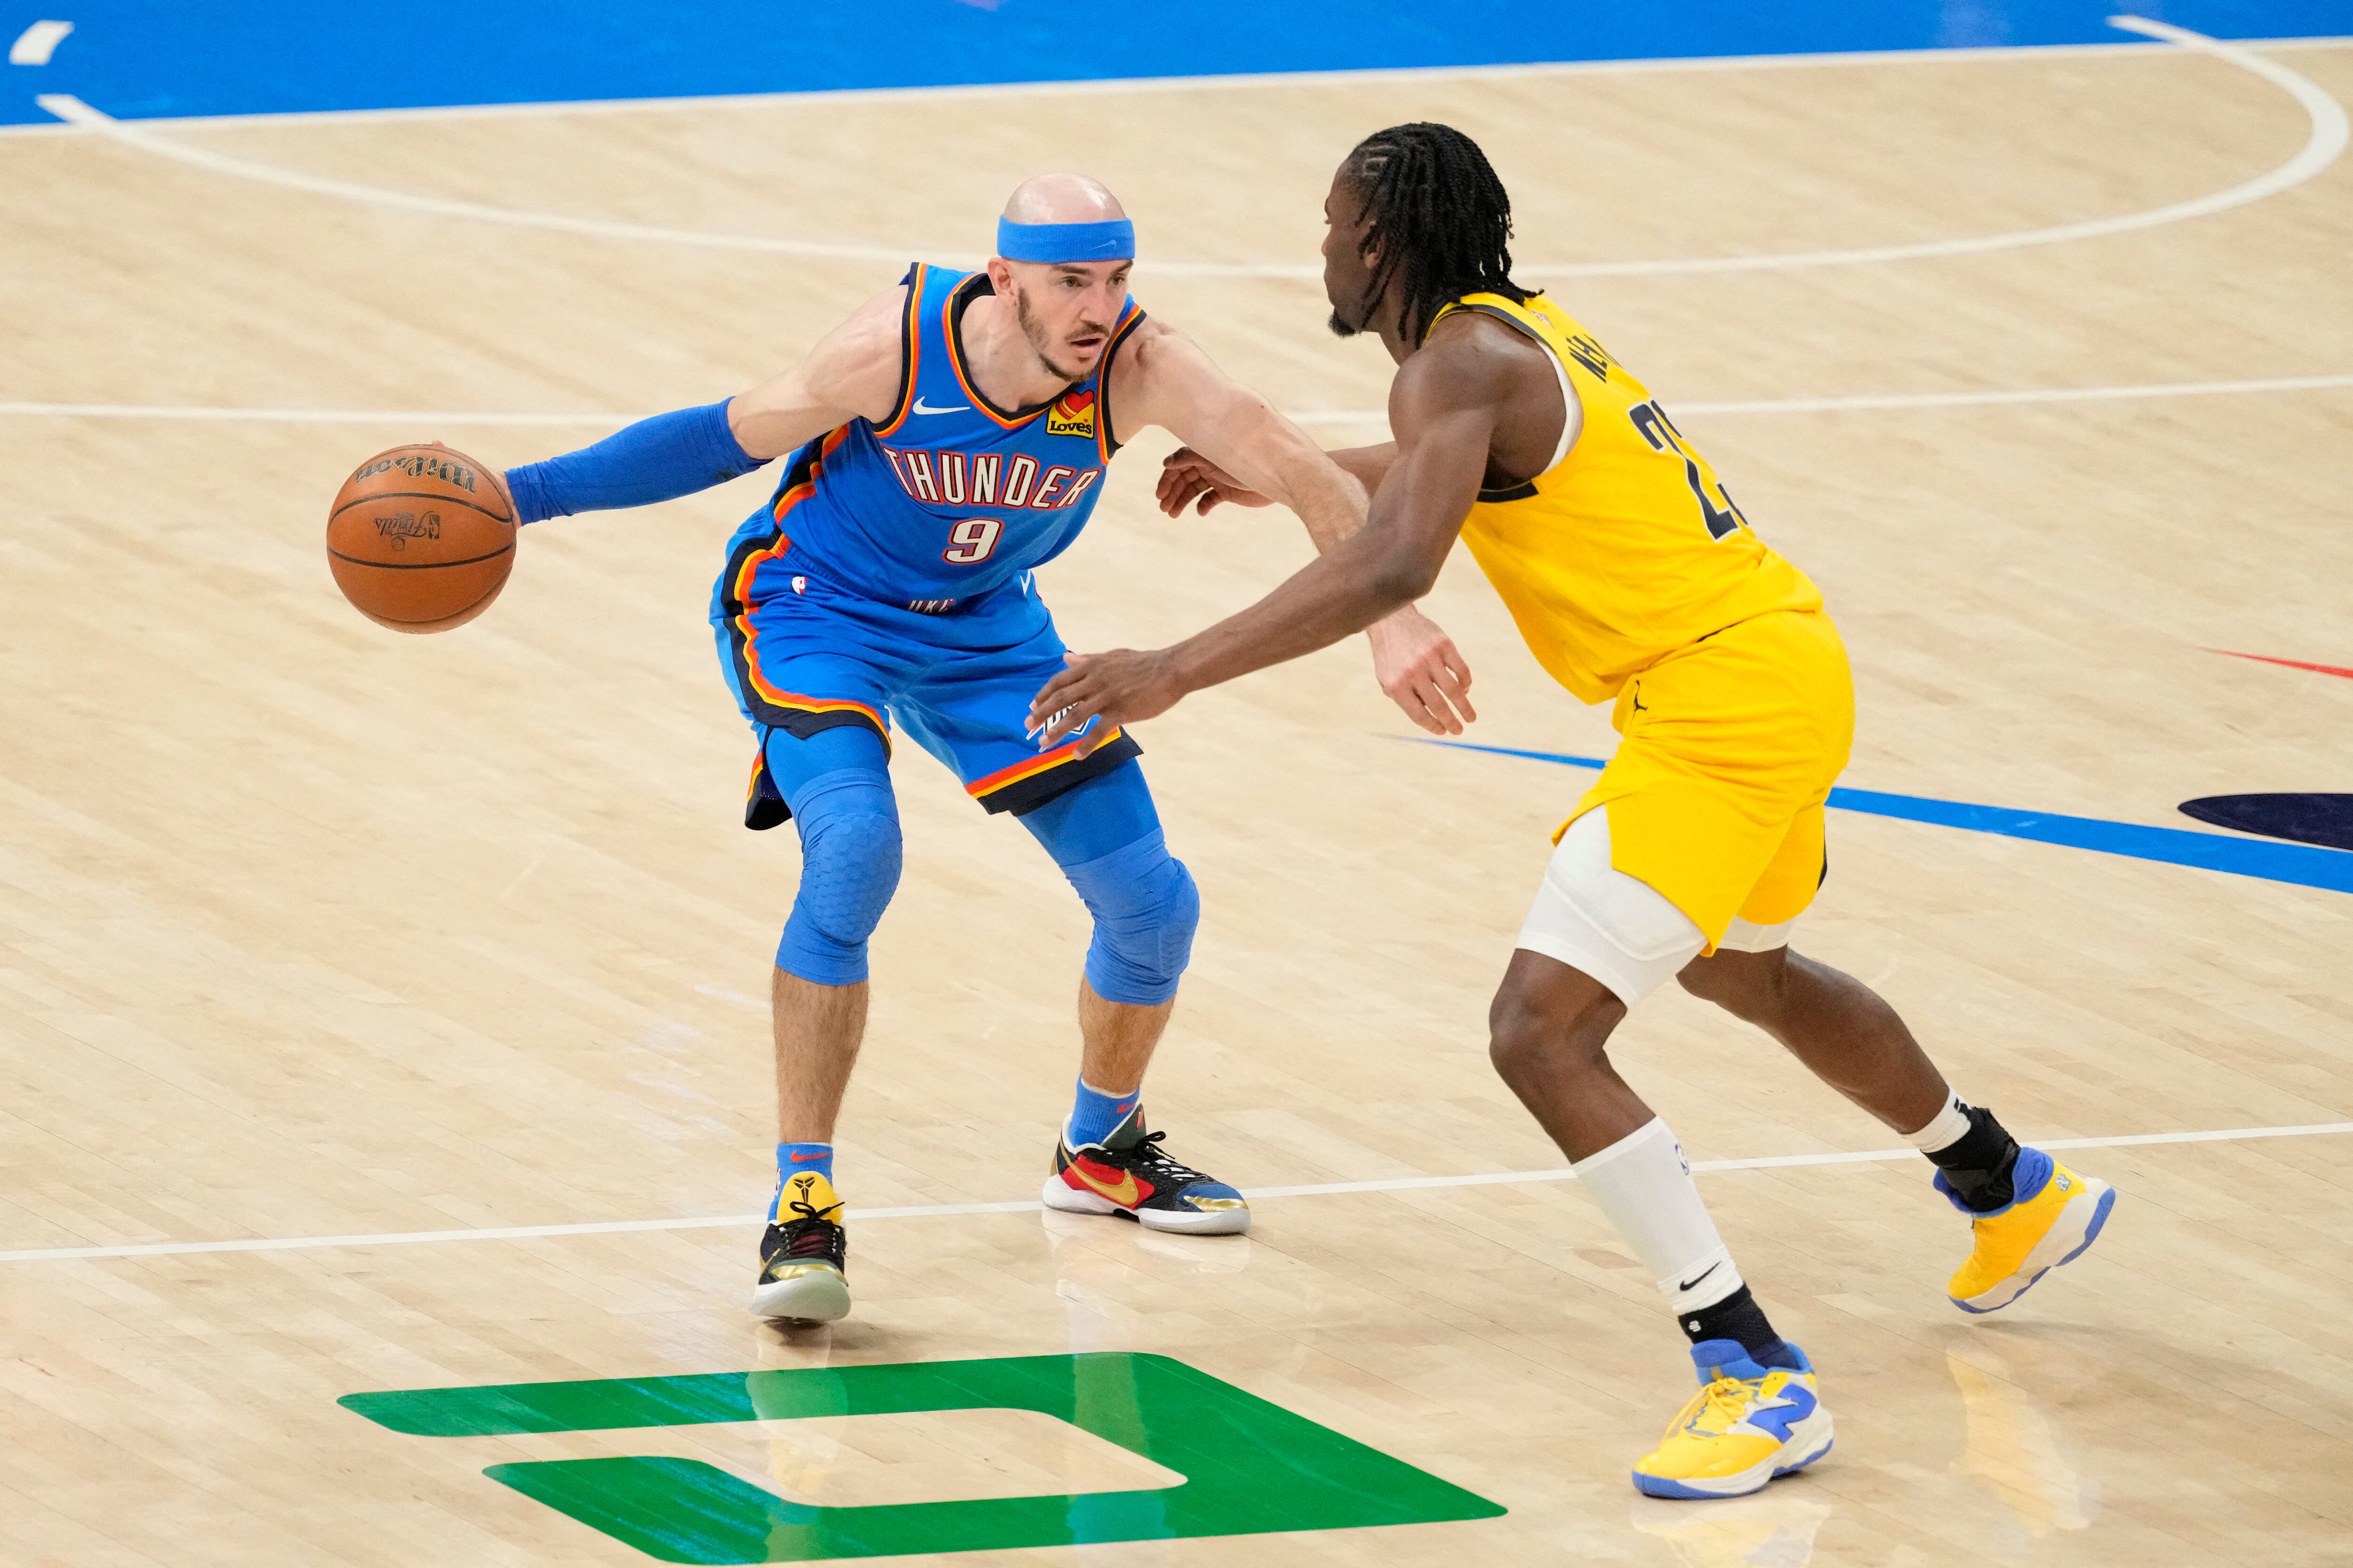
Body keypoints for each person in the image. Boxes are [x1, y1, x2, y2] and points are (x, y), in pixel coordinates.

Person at [1029, 124, 2115, 1499]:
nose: (1321, 246)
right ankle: (2005, 1182)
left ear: (1386, 240)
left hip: (1720, 700)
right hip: (1781, 658)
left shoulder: (1457, 362)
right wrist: (1291, 471)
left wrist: (1171, 668)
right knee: (1744, 966)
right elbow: (1449, 461)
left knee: (1538, 1030)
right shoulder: (1504, 337)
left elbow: (1396, 562)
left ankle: (1753, 1372)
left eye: (1331, 222)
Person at [482, 171, 1476, 1323]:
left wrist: (1391, 612)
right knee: (855, 847)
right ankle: (804, 1199)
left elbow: (1299, 469)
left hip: (990, 632)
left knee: (1153, 903)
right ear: (1004, 279)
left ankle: (1098, 1148)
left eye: (1114, 279)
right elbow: (722, 438)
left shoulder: (1141, 365)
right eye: (1070, 282)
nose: (1099, 307)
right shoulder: (896, 347)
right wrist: (523, 495)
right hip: (817, 608)